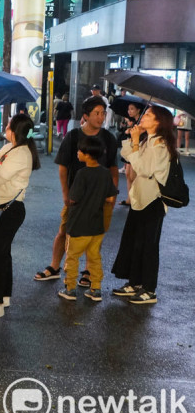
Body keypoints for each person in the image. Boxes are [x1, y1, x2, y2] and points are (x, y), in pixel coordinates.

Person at [35, 96, 118, 286]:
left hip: (102, 198)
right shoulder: (73, 137)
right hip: (76, 197)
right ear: (86, 116)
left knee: (96, 236)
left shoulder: (108, 138)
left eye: (103, 113)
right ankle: (55, 266)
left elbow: (113, 167)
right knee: (65, 230)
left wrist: (112, 194)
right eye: (97, 113)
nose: (101, 117)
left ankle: (88, 271)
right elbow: (63, 168)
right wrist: (66, 194)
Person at [0, 114, 40, 320]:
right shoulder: (10, 147)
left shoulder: (22, 153)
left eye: (9, 125)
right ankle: (0, 295)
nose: (6, 126)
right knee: (0, 253)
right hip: (0, 207)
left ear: (16, 130)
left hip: (10, 210)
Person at [111, 105, 176, 304]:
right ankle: (135, 283)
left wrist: (136, 142)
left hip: (153, 200)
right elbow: (127, 156)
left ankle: (149, 289)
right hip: (140, 197)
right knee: (134, 242)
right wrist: (134, 139)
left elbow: (143, 168)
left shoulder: (161, 145)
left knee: (149, 245)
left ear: (158, 122)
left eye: (148, 115)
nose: (143, 117)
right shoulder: (149, 140)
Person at [57, 136, 118, 302]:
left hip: (78, 224)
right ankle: (96, 288)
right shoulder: (105, 173)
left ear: (87, 154)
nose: (77, 153)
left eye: (79, 151)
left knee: (72, 257)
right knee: (94, 257)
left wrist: (69, 203)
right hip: (96, 226)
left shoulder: (82, 174)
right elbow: (111, 197)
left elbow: (74, 198)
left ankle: (70, 289)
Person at [117, 103, 141, 206]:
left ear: (138, 110)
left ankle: (135, 199)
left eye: (132, 109)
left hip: (136, 149)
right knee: (128, 174)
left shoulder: (142, 122)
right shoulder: (134, 121)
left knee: (133, 176)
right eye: (128, 109)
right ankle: (129, 199)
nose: (129, 111)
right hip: (130, 149)